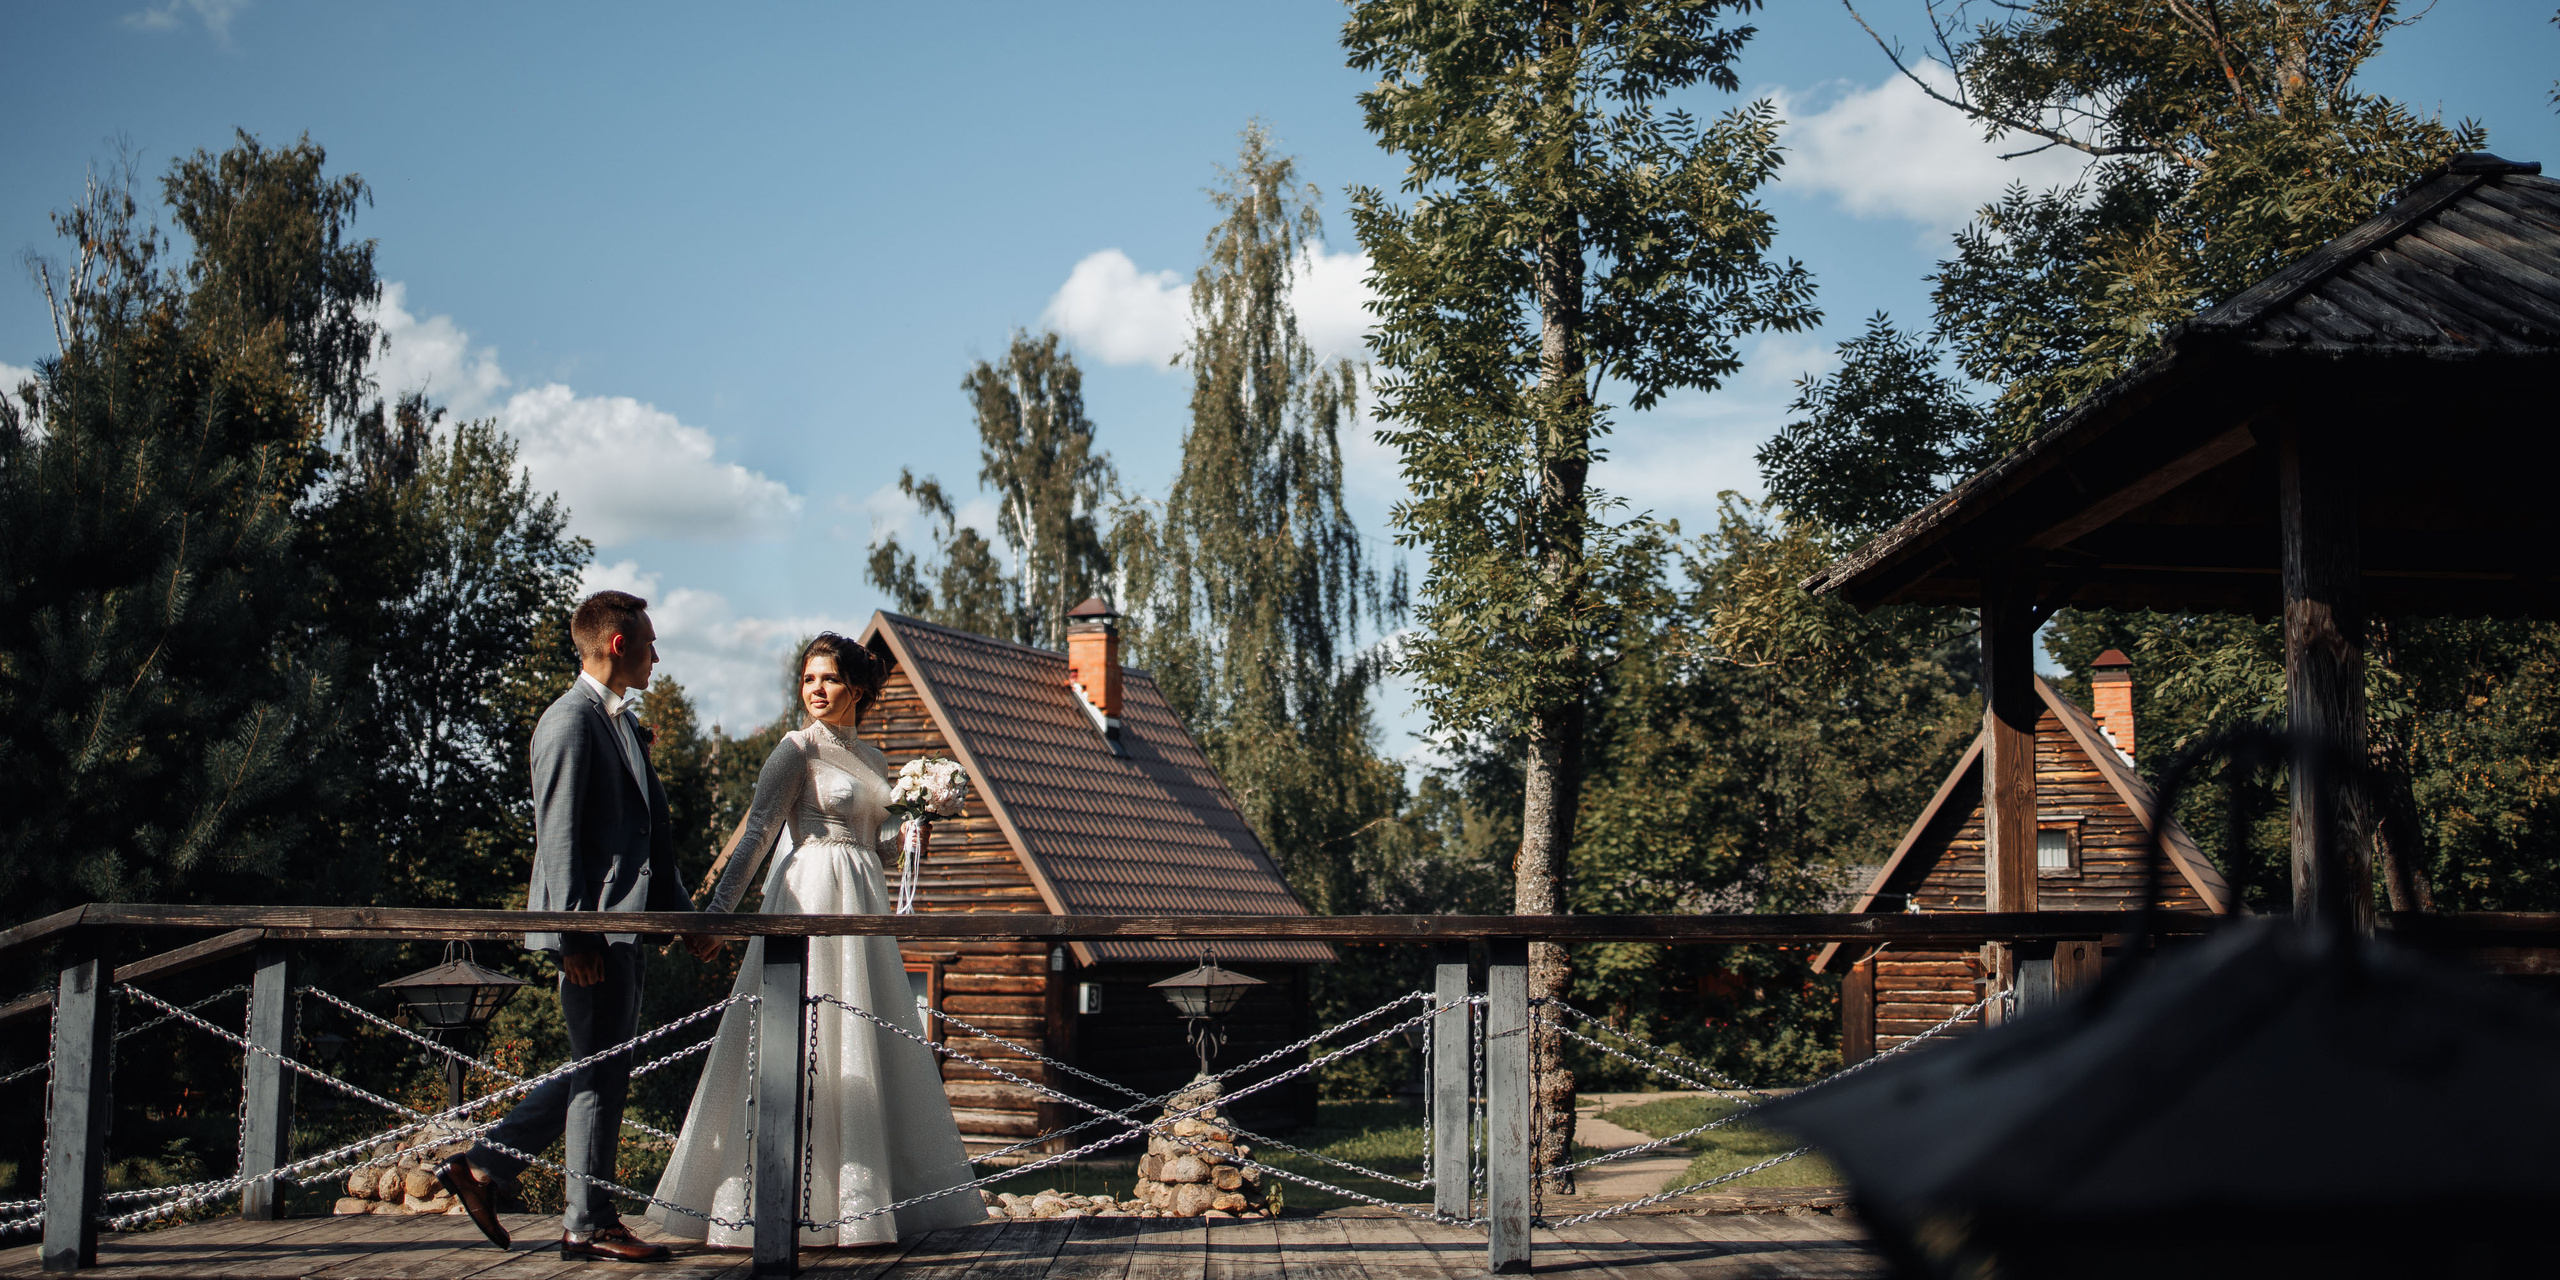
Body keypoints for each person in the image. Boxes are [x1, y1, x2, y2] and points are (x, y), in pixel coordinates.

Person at [648, 632, 982, 1247]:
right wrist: (718, 918)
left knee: (861, 1036)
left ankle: (863, 1208)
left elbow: (870, 842)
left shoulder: (878, 761)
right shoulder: (794, 750)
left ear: (856, 687)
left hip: (862, 906)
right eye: (808, 680)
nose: (816, 691)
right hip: (809, 897)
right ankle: (771, 1204)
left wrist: (914, 830)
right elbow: (754, 837)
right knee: (796, 1045)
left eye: (827, 679)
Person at [437, 590, 721, 1263]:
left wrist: (688, 924)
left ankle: (552, 1204)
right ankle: (524, 1189)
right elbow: (558, 838)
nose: (659, 653)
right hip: (593, 935)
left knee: (603, 1070)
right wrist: (574, 938)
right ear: (619, 644)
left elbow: (649, 844)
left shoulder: (622, 723)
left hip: (625, 929)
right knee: (598, 1070)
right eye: (651, 641)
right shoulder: (569, 721)